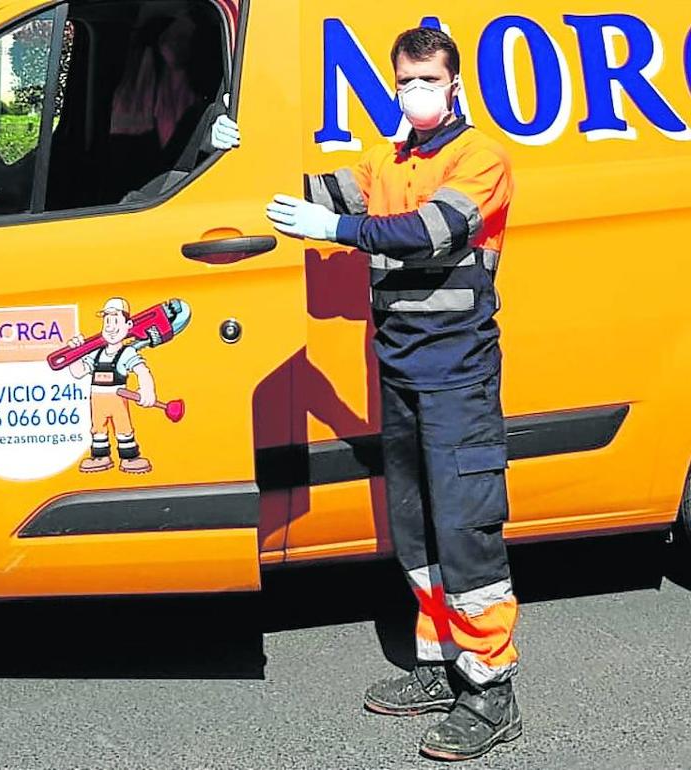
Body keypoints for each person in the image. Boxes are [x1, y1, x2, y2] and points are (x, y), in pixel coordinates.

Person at [212, 28, 520, 761]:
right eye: (405, 80)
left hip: (459, 375)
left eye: (428, 79)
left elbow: (429, 231)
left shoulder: (480, 158)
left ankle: (492, 693)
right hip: (402, 370)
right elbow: (307, 195)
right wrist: (239, 151)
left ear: (455, 86)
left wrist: (337, 229)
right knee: (415, 531)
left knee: (468, 534)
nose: (417, 91)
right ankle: (441, 667)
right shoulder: (386, 160)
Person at [66, 298, 158, 474]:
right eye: (107, 321)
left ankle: (130, 458)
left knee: (124, 430)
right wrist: (74, 353)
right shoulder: (96, 353)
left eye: (115, 320)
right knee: (98, 430)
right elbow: (78, 372)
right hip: (97, 401)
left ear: (128, 324)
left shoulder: (127, 353)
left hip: (118, 399)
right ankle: (101, 457)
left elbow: (142, 371)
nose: (110, 326)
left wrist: (147, 390)